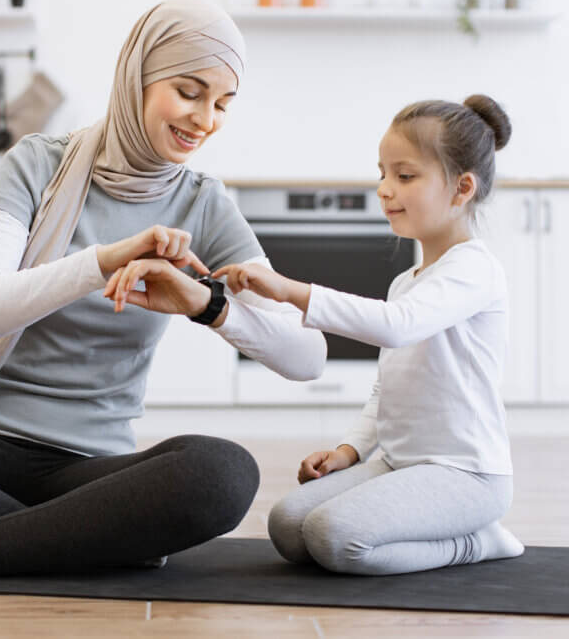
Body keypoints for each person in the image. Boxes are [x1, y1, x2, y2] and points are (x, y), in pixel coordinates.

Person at [0, 0, 326, 580]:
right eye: (190, 92)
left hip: (90, 470)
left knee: (224, 473)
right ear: (137, 76)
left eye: (223, 103)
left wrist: (207, 304)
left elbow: (308, 356)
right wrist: (100, 263)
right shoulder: (39, 164)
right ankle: (75, 538)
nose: (205, 120)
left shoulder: (204, 203)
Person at [213, 95, 525, 575]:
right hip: (400, 464)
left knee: (334, 538)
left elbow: (396, 327)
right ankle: (410, 518)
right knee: (288, 525)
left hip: (466, 476)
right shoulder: (407, 282)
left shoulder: (475, 269)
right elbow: (388, 388)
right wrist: (350, 450)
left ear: (462, 188)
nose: (384, 188)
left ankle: (477, 541)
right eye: (382, 173)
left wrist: (290, 290)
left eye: (404, 176)